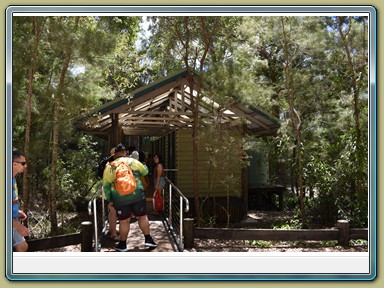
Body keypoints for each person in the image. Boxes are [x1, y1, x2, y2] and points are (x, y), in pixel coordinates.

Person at [103, 143, 157, 252]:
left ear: (114, 154)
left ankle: (122, 244)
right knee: (142, 217)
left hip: (119, 197)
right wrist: (144, 165)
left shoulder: (110, 166)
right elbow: (145, 171)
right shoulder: (133, 162)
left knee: (124, 221)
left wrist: (110, 200)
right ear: (125, 152)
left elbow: (106, 186)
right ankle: (148, 239)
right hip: (137, 194)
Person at [98, 148, 118, 241]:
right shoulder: (111, 164)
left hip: (108, 189)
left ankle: (111, 229)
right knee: (113, 211)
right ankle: (113, 234)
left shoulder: (107, 162)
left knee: (111, 211)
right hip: (111, 190)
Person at [12, 150, 30, 252]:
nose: (25, 166)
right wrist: (18, 225)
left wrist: (16, 212)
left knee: (22, 246)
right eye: (23, 163)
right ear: (14, 164)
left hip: (12, 219)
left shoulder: (12, 179)